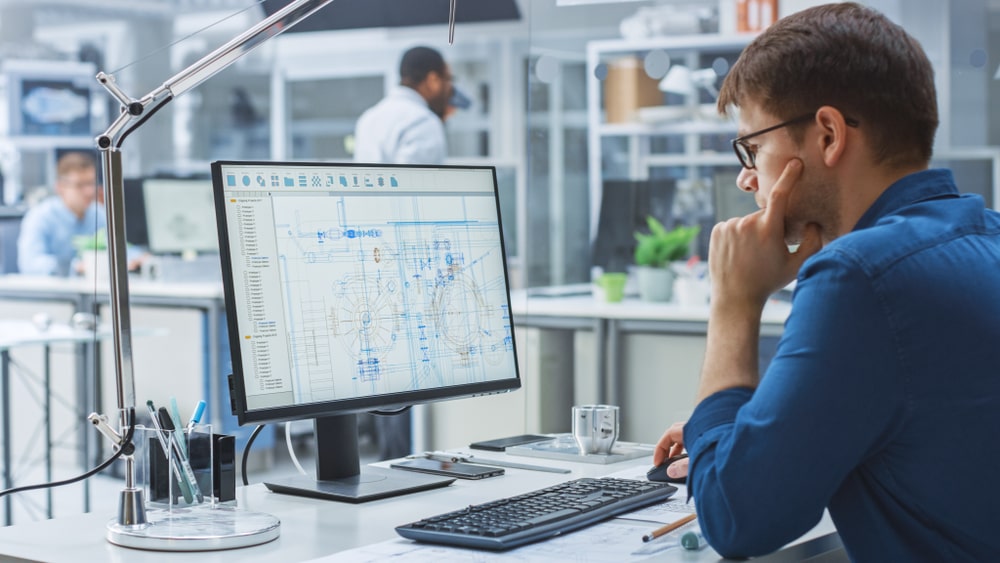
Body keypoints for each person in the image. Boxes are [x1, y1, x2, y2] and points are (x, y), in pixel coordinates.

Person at [652, 3, 1000, 561]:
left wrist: (734, 304)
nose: (747, 178)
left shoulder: (858, 277)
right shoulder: (986, 236)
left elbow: (738, 520)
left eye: (753, 147)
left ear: (829, 135)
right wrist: (744, 442)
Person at [352, 45, 457, 460]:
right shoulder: (423, 123)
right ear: (431, 79)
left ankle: (388, 456)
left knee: (384, 359)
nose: (448, 88)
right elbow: (419, 199)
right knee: (415, 368)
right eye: (447, 80)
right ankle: (406, 458)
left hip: (371, 254)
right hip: (410, 260)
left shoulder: (370, 118)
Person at [17, 152, 105, 277]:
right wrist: (74, 266)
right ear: (60, 187)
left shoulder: (99, 213)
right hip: (54, 293)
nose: (89, 191)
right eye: (80, 185)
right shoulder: (40, 216)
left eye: (91, 183)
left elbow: (121, 250)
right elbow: (30, 264)